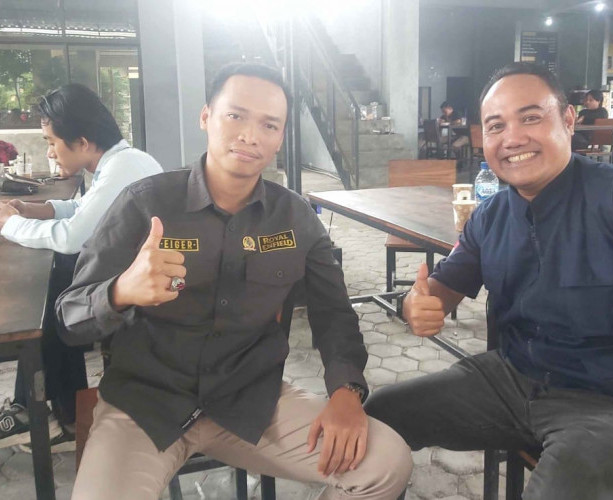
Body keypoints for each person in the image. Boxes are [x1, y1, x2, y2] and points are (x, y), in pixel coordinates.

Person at [55, 63, 412, 500]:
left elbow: (334, 315)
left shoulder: (295, 218)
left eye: (269, 125)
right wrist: (121, 292)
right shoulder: (144, 203)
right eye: (235, 115)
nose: (250, 135)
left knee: (387, 462)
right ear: (206, 116)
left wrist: (346, 390)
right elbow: (69, 319)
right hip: (145, 406)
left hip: (251, 402)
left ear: (280, 137)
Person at [365, 62, 613, 500]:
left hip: (608, 405)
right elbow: (440, 290)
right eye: (496, 126)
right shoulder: (489, 216)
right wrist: (416, 304)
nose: (513, 138)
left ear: (568, 120)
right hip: (511, 378)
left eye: (530, 117)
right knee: (376, 418)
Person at [0, 83, 163, 451]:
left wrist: (9, 224)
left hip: (141, 297)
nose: (49, 152)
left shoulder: (124, 167)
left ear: (83, 142)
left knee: (53, 291)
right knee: (58, 284)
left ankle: (46, 412)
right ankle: (62, 412)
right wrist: (35, 210)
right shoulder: (119, 162)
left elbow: (72, 236)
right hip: (129, 279)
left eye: (52, 142)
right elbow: (85, 210)